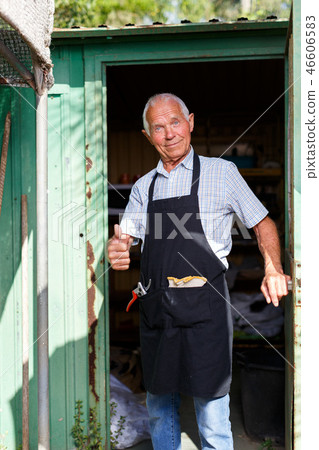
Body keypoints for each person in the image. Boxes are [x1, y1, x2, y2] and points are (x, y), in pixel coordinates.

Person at [107, 93, 290, 450]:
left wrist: (273, 268)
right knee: (160, 407)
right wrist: (118, 251)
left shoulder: (222, 173)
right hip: (158, 310)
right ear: (148, 136)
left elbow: (262, 223)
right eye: (158, 128)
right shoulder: (145, 187)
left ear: (190, 121)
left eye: (175, 122)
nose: (169, 133)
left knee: (211, 413)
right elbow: (124, 239)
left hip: (205, 310)